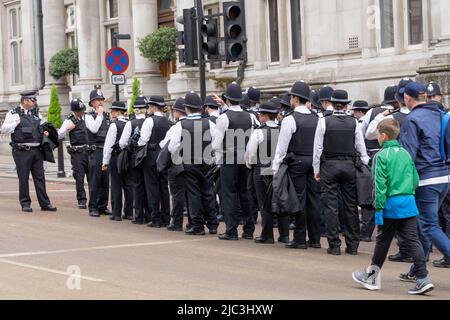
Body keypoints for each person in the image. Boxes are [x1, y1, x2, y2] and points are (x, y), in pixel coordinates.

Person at [352, 119, 434, 295]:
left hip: (390, 205)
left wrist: (379, 208)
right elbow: (415, 179)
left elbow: (379, 185)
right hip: (409, 202)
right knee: (413, 241)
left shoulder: (380, 156)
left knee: (382, 242)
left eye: (378, 135)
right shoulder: (405, 153)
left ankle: (372, 277)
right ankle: (422, 278)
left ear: (383, 136)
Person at [400, 81, 450, 277]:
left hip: (426, 178)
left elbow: (408, 156)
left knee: (428, 225)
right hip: (444, 176)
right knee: (425, 224)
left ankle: (419, 268)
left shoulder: (412, 119)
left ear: (408, 98)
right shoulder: (440, 114)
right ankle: (417, 269)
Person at [313, 89, 369, 255]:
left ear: (331, 103)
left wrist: (316, 169)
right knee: (350, 206)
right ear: (346, 105)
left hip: (329, 165)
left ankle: (334, 245)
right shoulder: (354, 123)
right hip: (349, 166)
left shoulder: (324, 121)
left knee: (330, 206)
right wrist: (365, 165)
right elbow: (361, 148)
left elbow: (317, 148)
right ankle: (352, 245)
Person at [273, 81, 321, 249]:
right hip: (314, 162)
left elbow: (282, 147)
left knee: (299, 199)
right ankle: (315, 239)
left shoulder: (290, 119)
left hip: (297, 162)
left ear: (294, 98)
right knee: (314, 200)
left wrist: (276, 167)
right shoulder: (317, 118)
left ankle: (300, 238)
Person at [212, 82, 259, 241]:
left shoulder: (224, 117)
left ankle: (231, 230)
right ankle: (249, 229)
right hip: (245, 158)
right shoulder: (251, 116)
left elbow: (217, 143)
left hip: (229, 158)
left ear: (227, 99)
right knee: (245, 193)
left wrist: (218, 159)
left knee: (229, 193)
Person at [168, 92, 219, 235]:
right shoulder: (209, 123)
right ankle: (213, 224)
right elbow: (217, 142)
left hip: (189, 162)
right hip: (206, 161)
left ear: (186, 108)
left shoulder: (181, 125)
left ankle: (197, 226)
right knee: (208, 192)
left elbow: (172, 147)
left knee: (193, 194)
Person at [0, 90, 57, 212]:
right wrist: (15, 123)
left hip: (37, 150)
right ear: (25, 101)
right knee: (24, 177)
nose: (35, 102)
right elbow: (4, 129)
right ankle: (25, 203)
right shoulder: (14, 113)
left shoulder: (36, 113)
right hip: (22, 151)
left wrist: (44, 132)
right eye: (33, 100)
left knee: (40, 177)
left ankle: (45, 203)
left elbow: (39, 127)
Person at [246, 102, 289, 244]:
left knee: (264, 203)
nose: (259, 116)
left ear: (264, 116)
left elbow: (250, 153)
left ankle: (267, 234)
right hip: (280, 170)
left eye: (260, 114)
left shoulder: (259, 131)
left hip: (262, 168)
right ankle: (284, 235)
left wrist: (250, 165)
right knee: (281, 200)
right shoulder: (282, 129)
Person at [138, 96, 171, 228]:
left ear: (152, 106)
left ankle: (155, 217)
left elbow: (143, 140)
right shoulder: (168, 121)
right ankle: (166, 217)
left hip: (151, 155)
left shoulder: (149, 121)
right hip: (164, 155)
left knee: (152, 187)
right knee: (164, 186)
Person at [427, 81, 450, 268]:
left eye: (433, 96)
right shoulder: (441, 117)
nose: (431, 100)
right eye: (429, 97)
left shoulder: (445, 118)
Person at [101, 102, 133, 221]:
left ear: (116, 112)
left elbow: (108, 145)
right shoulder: (130, 123)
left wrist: (105, 161)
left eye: (112, 111)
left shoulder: (114, 125)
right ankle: (129, 212)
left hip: (116, 157)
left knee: (116, 184)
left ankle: (116, 212)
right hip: (128, 157)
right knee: (128, 185)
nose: (111, 113)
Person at [119, 96, 148, 224]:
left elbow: (122, 143)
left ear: (135, 109)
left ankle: (139, 215)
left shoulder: (130, 123)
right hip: (147, 157)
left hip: (134, 157)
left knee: (137, 186)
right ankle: (150, 214)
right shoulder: (150, 121)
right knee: (149, 186)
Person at [163, 97, 189, 232]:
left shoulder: (177, 126)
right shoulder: (200, 123)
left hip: (177, 163)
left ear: (178, 112)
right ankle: (194, 222)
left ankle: (177, 222)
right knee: (192, 193)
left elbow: (169, 146)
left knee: (177, 194)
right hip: (194, 162)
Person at [58, 99, 89, 209]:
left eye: (82, 111)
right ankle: (81, 200)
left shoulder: (88, 117)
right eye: (79, 111)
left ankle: (94, 200)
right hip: (77, 153)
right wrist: (67, 128)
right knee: (79, 177)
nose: (81, 113)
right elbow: (59, 135)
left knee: (93, 177)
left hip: (89, 151)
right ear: (74, 111)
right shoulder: (69, 120)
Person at [85, 89, 110, 217]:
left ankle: (102, 205)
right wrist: (99, 115)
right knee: (95, 180)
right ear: (92, 103)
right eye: (98, 100)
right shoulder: (89, 116)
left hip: (106, 151)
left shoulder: (107, 116)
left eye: (101, 100)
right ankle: (93, 206)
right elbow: (94, 129)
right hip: (95, 151)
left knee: (105, 180)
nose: (100, 102)